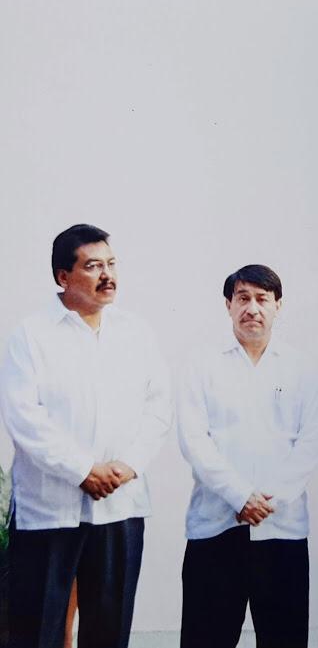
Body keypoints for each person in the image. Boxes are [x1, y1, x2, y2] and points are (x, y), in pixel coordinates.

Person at [0, 224, 172, 648]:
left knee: (110, 630)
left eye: (111, 264)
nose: (107, 275)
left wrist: (127, 467)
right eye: (93, 266)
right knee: (35, 631)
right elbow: (24, 417)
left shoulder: (136, 332)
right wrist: (82, 470)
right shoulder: (32, 335)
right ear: (63, 276)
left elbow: (158, 408)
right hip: (49, 509)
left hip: (120, 504)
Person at [177, 264, 318, 648]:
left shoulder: (301, 368)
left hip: (282, 529)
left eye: (262, 299)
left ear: (278, 306)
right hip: (216, 526)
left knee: (284, 639)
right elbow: (194, 440)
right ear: (228, 304)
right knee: (205, 638)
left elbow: (310, 443)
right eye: (243, 298)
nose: (252, 308)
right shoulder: (202, 364)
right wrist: (240, 496)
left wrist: (268, 500)